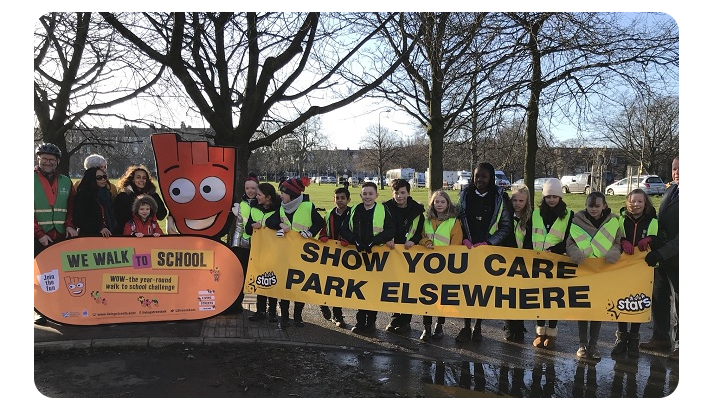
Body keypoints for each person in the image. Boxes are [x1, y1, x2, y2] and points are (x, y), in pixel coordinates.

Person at [457, 162, 514, 343]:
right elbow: (457, 219)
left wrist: (489, 242)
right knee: (466, 291)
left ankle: (478, 326)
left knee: (482, 291)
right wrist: (463, 238)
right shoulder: (464, 195)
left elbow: (506, 227)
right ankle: (465, 326)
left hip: (487, 250)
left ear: (491, 179)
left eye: (484, 176)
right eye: (477, 176)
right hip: (467, 248)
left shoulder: (500, 198)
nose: (479, 180)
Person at [566, 191, 623, 361]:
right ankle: (582, 344)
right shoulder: (577, 221)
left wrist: (614, 254)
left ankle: (594, 345)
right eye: (590, 206)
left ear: (604, 206)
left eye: (597, 206)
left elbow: (617, 243)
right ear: (586, 206)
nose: (593, 209)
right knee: (583, 310)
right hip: (583, 271)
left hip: (602, 272)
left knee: (597, 310)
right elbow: (570, 244)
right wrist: (576, 255)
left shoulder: (613, 222)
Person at [341, 181, 396, 334]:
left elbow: (391, 229)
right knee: (359, 290)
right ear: (360, 195)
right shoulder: (354, 210)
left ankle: (371, 323)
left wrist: (375, 241)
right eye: (364, 194)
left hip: (376, 257)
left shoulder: (382, 210)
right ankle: (360, 322)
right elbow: (344, 228)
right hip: (358, 256)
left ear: (376, 195)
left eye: (370, 194)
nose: (367, 196)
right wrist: (354, 240)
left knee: (372, 290)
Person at [34, 143, 79, 325]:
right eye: (44, 159)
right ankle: (40, 311)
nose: (48, 162)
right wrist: (39, 234)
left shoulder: (66, 181)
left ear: (57, 161)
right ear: (38, 159)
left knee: (61, 274)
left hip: (61, 236)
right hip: (38, 237)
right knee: (40, 276)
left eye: (51, 159)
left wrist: (70, 225)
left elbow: (72, 207)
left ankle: (60, 310)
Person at [640, 155, 679, 361]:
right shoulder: (671, 189)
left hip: (674, 258)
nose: (676, 172)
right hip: (662, 258)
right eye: (674, 168)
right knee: (659, 298)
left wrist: (661, 252)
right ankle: (661, 337)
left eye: (679, 169)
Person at [612, 188, 658, 358]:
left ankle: (634, 340)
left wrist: (650, 239)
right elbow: (616, 237)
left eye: (639, 201)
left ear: (645, 203)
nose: (635, 205)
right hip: (623, 266)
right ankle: (621, 337)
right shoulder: (621, 220)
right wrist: (623, 241)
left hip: (642, 268)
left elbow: (659, 239)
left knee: (639, 301)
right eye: (632, 201)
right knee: (622, 301)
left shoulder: (652, 220)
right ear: (626, 203)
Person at [275, 177, 325, 328]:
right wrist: (279, 226)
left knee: (299, 287)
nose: (281, 195)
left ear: (292, 193)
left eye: (284, 192)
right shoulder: (282, 206)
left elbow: (319, 222)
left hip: (303, 255)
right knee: (284, 287)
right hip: (285, 254)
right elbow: (271, 220)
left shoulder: (308, 206)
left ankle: (297, 316)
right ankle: (284, 316)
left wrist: (310, 233)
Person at [531, 178, 573, 349]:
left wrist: (556, 250)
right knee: (540, 298)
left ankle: (552, 333)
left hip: (558, 261)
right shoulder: (535, 213)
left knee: (555, 298)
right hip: (538, 262)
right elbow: (529, 236)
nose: (551, 200)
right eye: (548, 197)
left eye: (555, 196)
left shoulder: (569, 215)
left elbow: (570, 239)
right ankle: (539, 333)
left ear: (560, 197)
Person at [418, 190, 463, 341]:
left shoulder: (454, 222)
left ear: (448, 204)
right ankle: (426, 328)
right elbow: (421, 237)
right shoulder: (427, 221)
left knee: (441, 298)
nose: (439, 205)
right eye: (436, 202)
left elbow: (456, 244)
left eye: (443, 202)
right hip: (427, 266)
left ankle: (439, 326)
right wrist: (426, 242)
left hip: (445, 266)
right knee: (426, 297)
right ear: (432, 203)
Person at [384, 178, 425, 334]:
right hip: (392, 252)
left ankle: (406, 320)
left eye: (402, 193)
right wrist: (387, 238)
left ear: (408, 193)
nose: (399, 196)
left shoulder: (417, 210)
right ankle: (395, 317)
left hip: (409, 253)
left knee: (408, 287)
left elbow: (420, 230)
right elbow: (383, 226)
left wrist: (413, 241)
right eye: (396, 193)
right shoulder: (386, 207)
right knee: (393, 286)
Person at [244, 182, 281, 323]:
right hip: (258, 252)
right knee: (260, 280)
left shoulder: (279, 209)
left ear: (268, 197)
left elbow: (279, 225)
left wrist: (265, 225)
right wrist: (253, 225)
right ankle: (260, 311)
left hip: (274, 252)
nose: (256, 196)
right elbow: (247, 230)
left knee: (272, 280)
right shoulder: (254, 208)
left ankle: (272, 311)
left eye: (259, 194)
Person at [317, 187, 352, 328]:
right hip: (330, 254)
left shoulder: (352, 213)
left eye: (343, 198)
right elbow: (323, 230)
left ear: (348, 200)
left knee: (338, 286)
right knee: (325, 282)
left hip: (345, 254)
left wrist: (348, 240)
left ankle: (338, 316)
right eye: (337, 198)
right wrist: (323, 236)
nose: (340, 200)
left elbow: (354, 230)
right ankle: (323, 304)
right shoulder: (329, 214)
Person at [229, 172, 261, 314]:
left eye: (253, 188)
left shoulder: (263, 203)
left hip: (260, 246)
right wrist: (236, 245)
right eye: (247, 188)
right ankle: (236, 304)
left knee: (260, 277)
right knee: (239, 276)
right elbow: (239, 227)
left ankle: (262, 309)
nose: (250, 191)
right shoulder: (241, 205)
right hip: (243, 245)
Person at [505, 185, 532, 342]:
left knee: (521, 296)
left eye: (521, 200)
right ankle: (509, 326)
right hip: (507, 260)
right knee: (508, 296)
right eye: (514, 200)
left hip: (524, 262)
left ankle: (519, 326)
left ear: (527, 200)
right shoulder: (506, 216)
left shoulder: (531, 218)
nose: (517, 203)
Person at [112, 165, 167, 236]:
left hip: (149, 235)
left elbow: (162, 215)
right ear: (132, 179)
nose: (141, 180)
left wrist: (152, 198)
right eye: (138, 177)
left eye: (144, 178)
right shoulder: (123, 196)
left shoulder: (153, 195)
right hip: (128, 235)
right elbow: (118, 219)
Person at [73, 167, 115, 237]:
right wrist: (99, 228)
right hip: (90, 236)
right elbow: (79, 220)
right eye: (99, 177)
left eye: (104, 176)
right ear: (91, 179)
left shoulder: (107, 195)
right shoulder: (82, 196)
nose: (103, 179)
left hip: (109, 235)